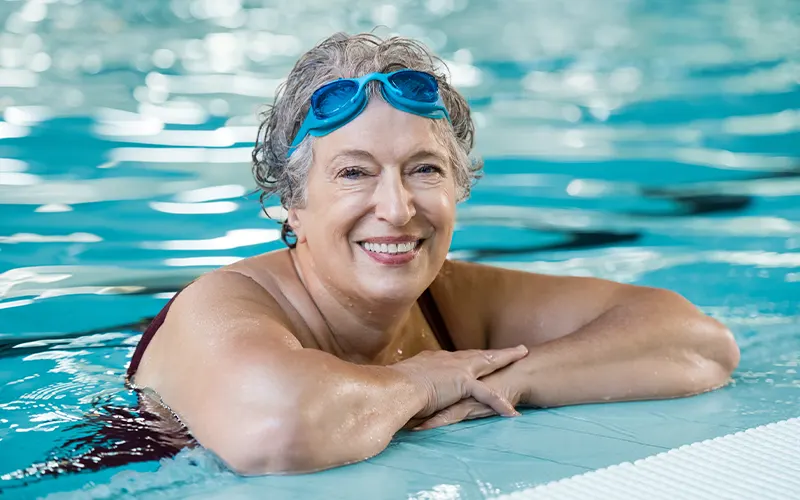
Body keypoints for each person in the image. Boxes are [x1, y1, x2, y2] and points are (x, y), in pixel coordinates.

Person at [126, 32, 740, 476]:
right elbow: (280, 430)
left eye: (424, 170)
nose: (396, 208)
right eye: (353, 174)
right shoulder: (224, 305)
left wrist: (508, 379)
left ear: (458, 187)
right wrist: (422, 381)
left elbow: (697, 343)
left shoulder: (448, 299)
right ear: (292, 202)